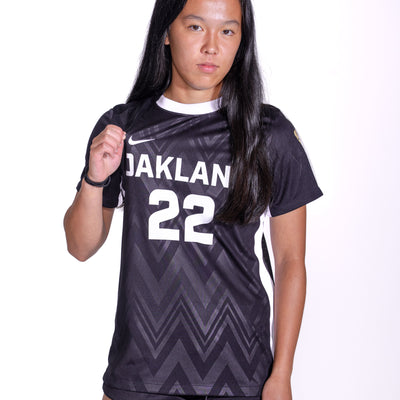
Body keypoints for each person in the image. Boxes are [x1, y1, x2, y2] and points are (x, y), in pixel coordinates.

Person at [64, 0, 322, 399]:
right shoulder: (125, 127)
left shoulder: (268, 133)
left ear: (242, 39)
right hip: (139, 372)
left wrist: (282, 373)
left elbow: (290, 262)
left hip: (240, 371)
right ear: (167, 32)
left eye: (228, 31)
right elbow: (80, 247)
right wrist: (94, 178)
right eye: (196, 27)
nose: (212, 47)